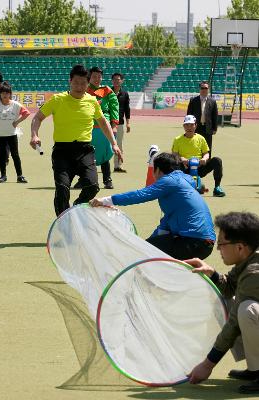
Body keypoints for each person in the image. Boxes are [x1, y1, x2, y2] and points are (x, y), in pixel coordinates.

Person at [30, 64, 122, 216]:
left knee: (93, 186)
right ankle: (63, 222)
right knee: (62, 189)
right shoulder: (57, 99)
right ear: (70, 81)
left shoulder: (92, 101)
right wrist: (34, 134)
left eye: (83, 83)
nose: (79, 87)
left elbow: (103, 122)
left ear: (88, 83)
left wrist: (114, 143)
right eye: (76, 83)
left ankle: (76, 209)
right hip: (62, 151)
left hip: (84, 150)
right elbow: (37, 117)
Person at [90, 152, 215, 260]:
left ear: (158, 170)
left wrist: (106, 200)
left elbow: (140, 195)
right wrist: (146, 243)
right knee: (147, 250)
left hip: (192, 242)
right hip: (205, 243)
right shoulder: (184, 182)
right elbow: (166, 225)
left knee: (145, 255)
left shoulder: (169, 181)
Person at [186, 211, 259, 395]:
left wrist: (207, 364)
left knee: (246, 310)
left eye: (221, 245)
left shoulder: (254, 272)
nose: (218, 249)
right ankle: (255, 369)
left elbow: (233, 323)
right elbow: (229, 288)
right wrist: (212, 273)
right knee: (227, 300)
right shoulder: (249, 259)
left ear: (240, 247)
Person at [74, 66, 119, 190]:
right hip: (86, 127)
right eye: (94, 76)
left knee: (104, 153)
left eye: (99, 76)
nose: (97, 79)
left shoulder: (107, 90)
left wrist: (114, 125)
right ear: (89, 77)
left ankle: (107, 180)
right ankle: (83, 179)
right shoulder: (83, 90)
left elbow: (114, 108)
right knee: (84, 154)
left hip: (103, 127)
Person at [172, 115, 226, 197]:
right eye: (187, 125)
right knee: (170, 163)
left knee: (217, 160)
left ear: (196, 126)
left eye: (191, 125)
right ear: (183, 126)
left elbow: (206, 153)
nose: (189, 127)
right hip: (185, 167)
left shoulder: (201, 138)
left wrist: (204, 159)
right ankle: (175, 187)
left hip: (199, 167)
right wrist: (181, 158)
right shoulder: (177, 139)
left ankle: (217, 187)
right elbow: (174, 154)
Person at [0, 82, 29, 183]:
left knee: (15, 155)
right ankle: (3, 176)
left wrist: (17, 122)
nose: (5, 95)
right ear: (0, 94)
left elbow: (26, 113)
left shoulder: (16, 105)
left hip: (12, 134)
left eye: (7, 93)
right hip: (0, 134)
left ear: (10, 94)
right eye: (3, 93)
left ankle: (20, 176)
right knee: (2, 155)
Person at [187, 80, 218, 155]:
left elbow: (215, 116)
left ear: (208, 89)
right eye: (202, 88)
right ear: (199, 89)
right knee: (195, 146)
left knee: (207, 148)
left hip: (207, 128)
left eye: (206, 88)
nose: (204, 90)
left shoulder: (212, 101)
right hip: (196, 127)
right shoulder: (193, 100)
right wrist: (189, 126)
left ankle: (207, 164)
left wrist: (215, 128)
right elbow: (189, 115)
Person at [111, 72, 130, 173]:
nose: (116, 81)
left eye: (118, 80)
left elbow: (127, 109)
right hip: (107, 123)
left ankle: (117, 166)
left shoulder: (125, 94)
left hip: (120, 123)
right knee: (104, 144)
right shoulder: (108, 92)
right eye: (114, 79)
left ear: (122, 81)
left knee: (119, 145)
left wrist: (128, 123)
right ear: (112, 81)